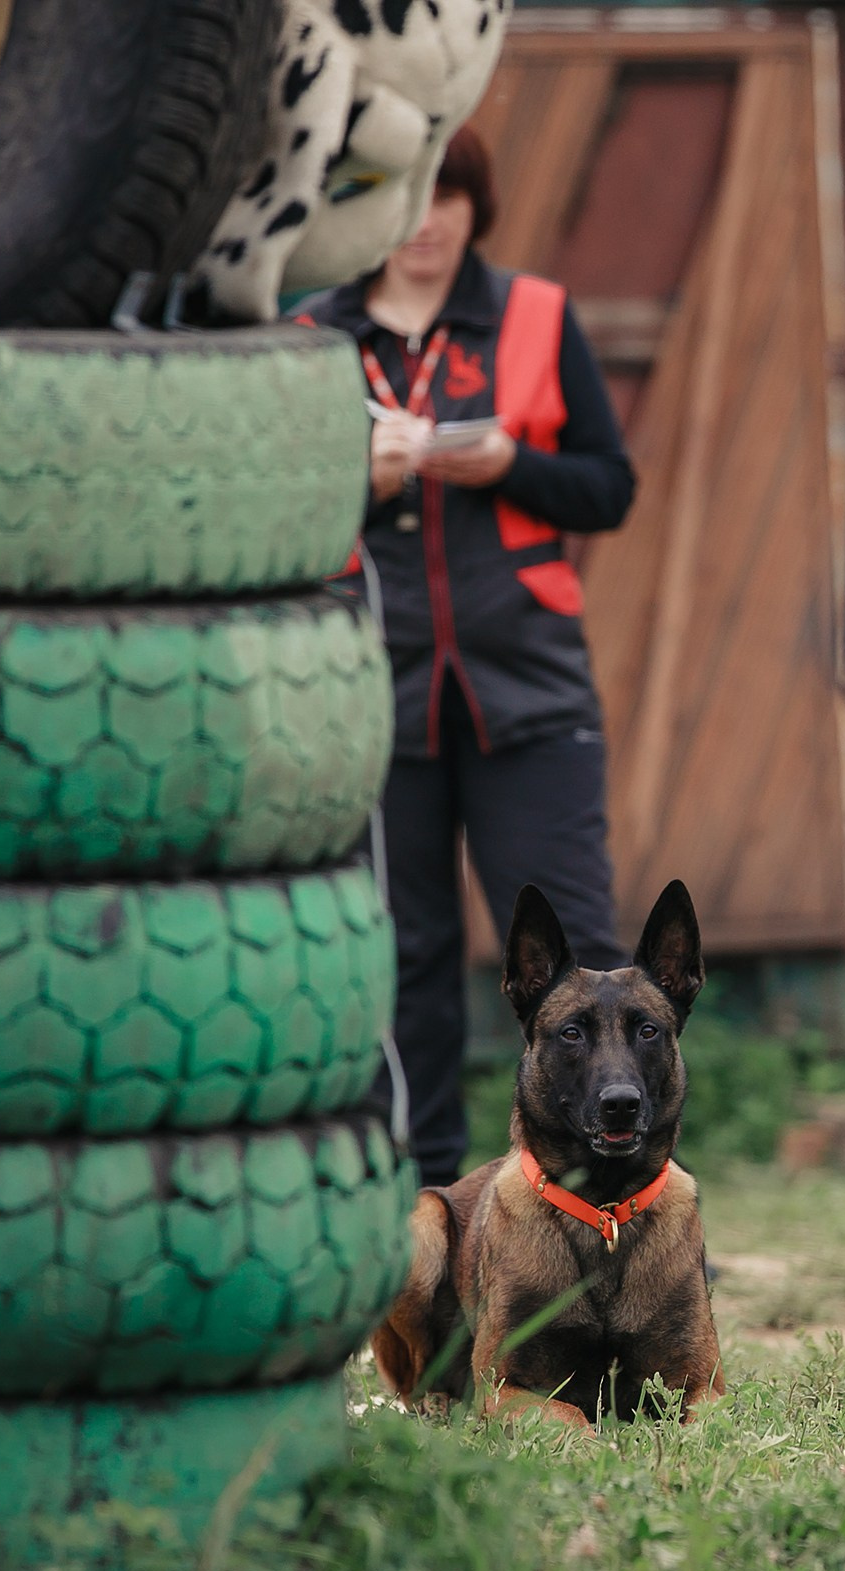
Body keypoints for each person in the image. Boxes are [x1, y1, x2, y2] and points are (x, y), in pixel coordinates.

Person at [303, 129, 635, 1190]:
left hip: (530, 697)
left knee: (587, 968)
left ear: (473, 208)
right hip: (374, 699)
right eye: (400, 195)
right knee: (407, 969)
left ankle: (619, 1197)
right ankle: (430, 1220)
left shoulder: (536, 313)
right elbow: (268, 505)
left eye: (446, 195)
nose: (425, 218)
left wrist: (508, 463)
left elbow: (607, 487)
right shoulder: (312, 334)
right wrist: (365, 478)